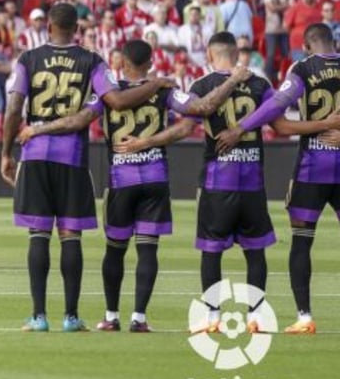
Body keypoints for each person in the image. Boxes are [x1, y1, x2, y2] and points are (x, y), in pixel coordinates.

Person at [19, 39, 248, 333]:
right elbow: (201, 109)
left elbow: (78, 120)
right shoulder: (164, 91)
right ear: (151, 63)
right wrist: (233, 80)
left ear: (121, 63)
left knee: (115, 250)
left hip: (120, 181)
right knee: (148, 250)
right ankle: (139, 318)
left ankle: (111, 316)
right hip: (155, 178)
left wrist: (38, 128)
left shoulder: (107, 94)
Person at [0, 3, 173, 332]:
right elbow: (117, 101)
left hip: (35, 154)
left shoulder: (28, 58)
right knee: (70, 236)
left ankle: (38, 317)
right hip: (72, 156)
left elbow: (13, 108)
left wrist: (6, 153)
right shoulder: (92, 60)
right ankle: (71, 317)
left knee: (38, 234)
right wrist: (156, 83)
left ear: (48, 27)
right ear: (76, 29)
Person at [216, 23, 340, 335]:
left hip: (313, 166)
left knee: (301, 242)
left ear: (307, 46)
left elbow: (276, 107)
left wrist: (241, 128)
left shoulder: (303, 69)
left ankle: (304, 317)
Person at [176, 32, 277, 334]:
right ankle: (256, 316)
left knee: (211, 251)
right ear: (236, 53)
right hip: (252, 181)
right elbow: (279, 118)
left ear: (209, 54)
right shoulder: (260, 85)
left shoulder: (202, 85)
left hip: (217, 181)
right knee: (255, 251)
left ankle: (212, 317)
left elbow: (185, 124)